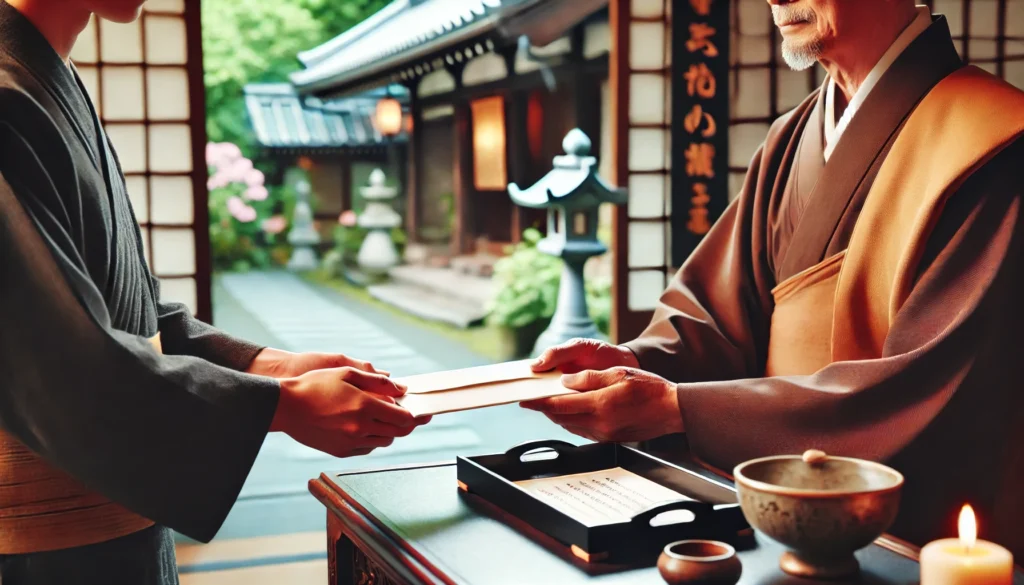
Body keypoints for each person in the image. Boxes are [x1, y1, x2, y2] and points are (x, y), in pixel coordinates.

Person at [526, 0, 1023, 557]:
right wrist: (637, 365)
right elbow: (716, 312)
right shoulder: (792, 137)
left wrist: (678, 408)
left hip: (900, 532)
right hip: (764, 514)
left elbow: (927, 387)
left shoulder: (995, 143)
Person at [0, 0, 430, 583]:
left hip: (118, 528)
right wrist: (285, 406)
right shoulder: (8, 91)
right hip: (42, 548)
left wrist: (273, 366)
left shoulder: (50, 73)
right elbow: (65, 364)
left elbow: (137, 315)